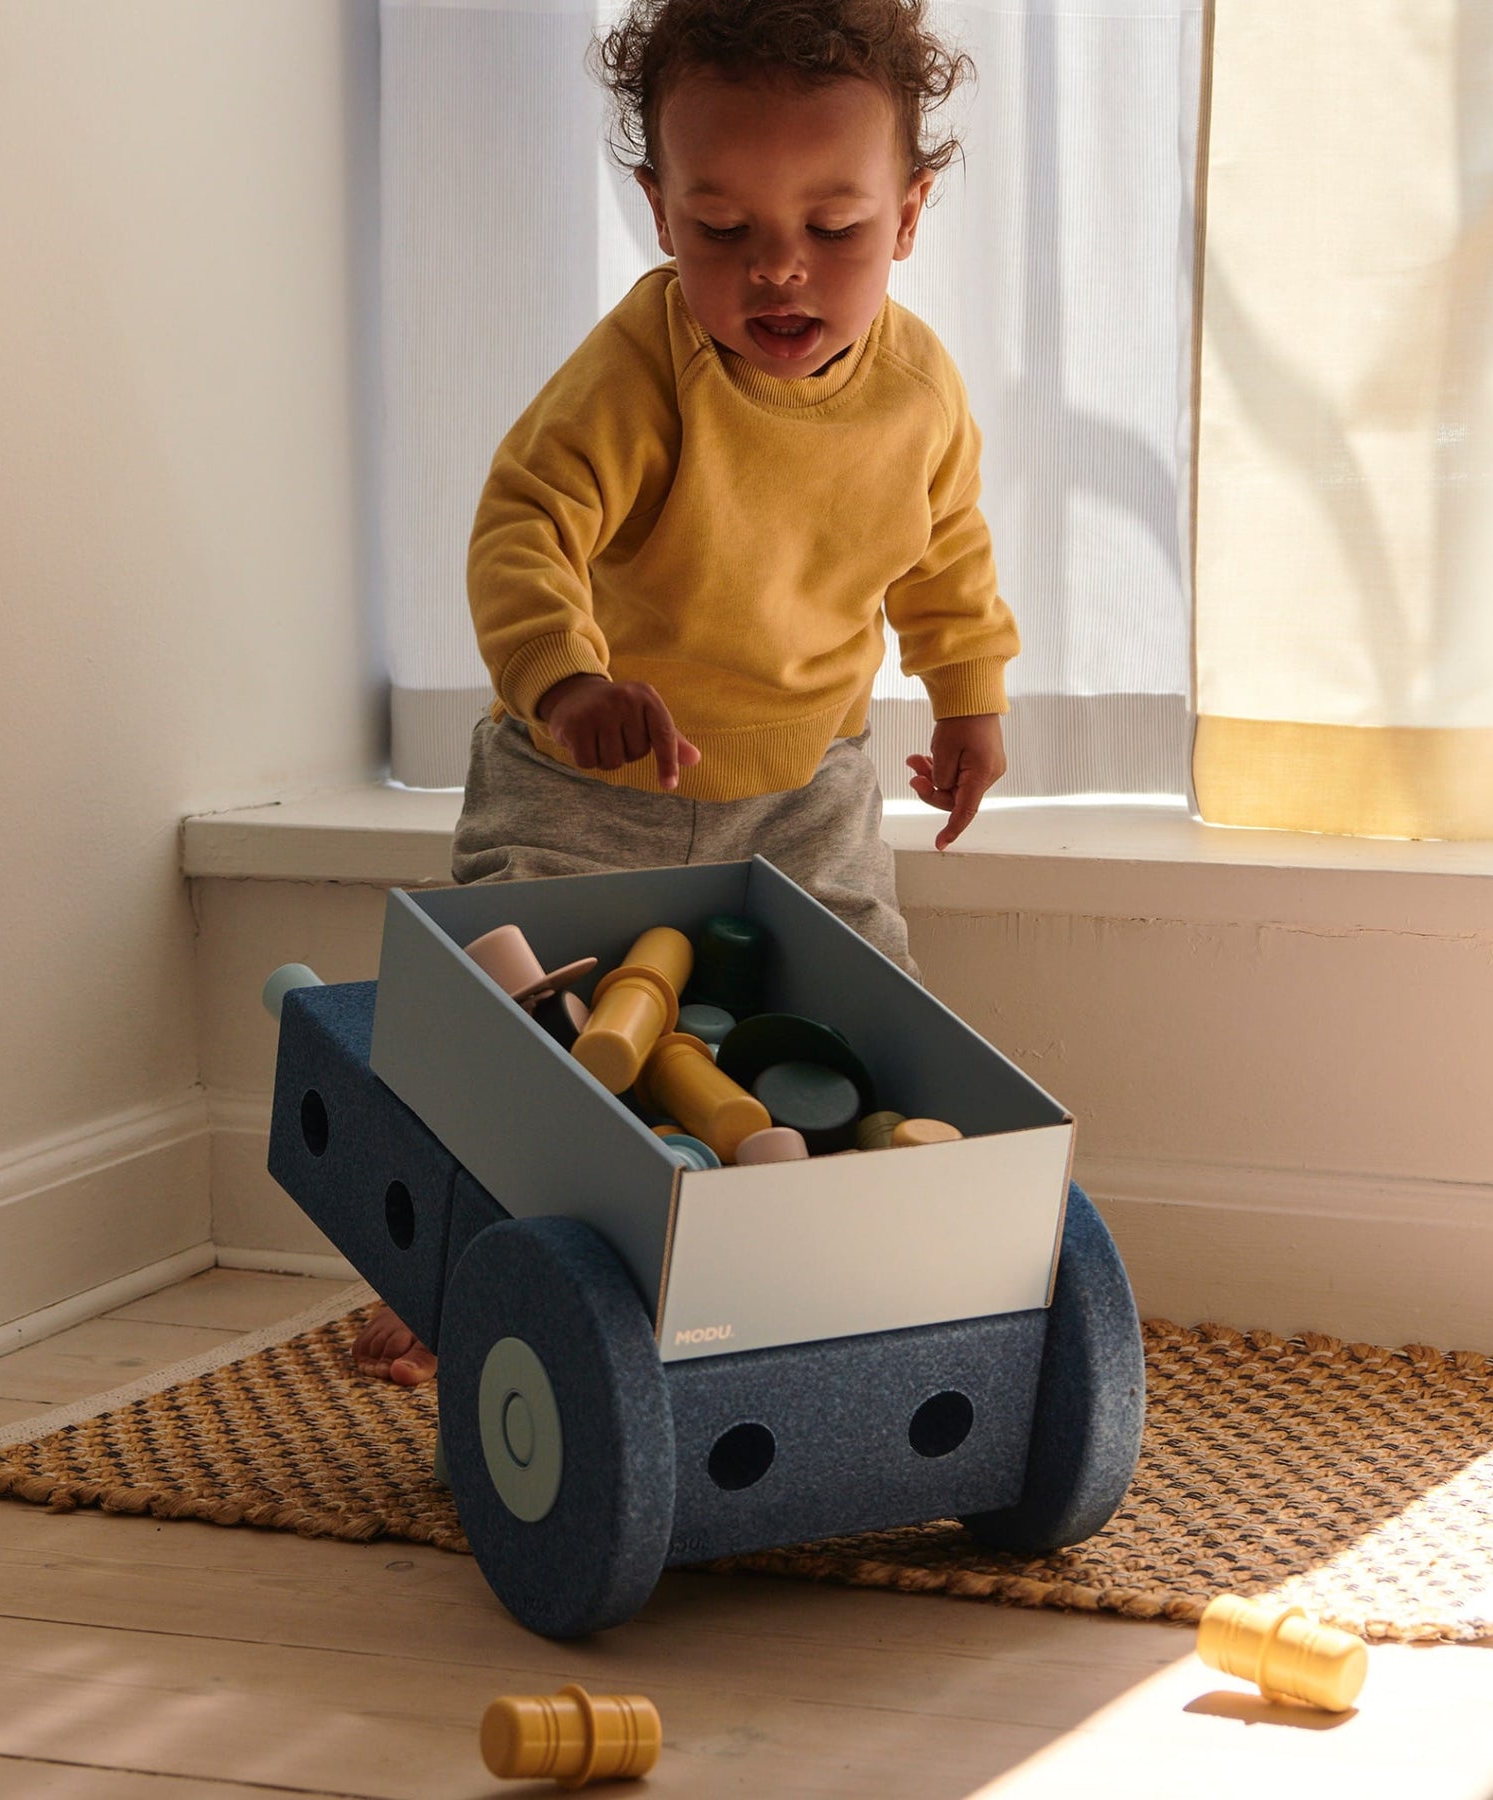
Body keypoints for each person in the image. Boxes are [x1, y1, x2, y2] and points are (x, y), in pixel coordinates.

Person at [353, 0, 1019, 1385]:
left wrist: (969, 702)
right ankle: (455, 1263)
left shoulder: (920, 391)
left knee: (858, 1011)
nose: (779, 269)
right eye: (723, 229)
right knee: (520, 1015)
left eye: (833, 227)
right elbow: (527, 522)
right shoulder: (637, 371)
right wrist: (567, 679)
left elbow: (946, 550)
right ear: (661, 211)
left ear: (908, 214)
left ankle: (835, 1273)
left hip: (805, 791)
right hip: (587, 778)